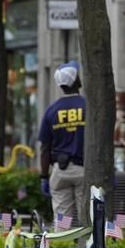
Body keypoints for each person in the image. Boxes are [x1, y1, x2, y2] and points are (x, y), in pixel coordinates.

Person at [38, 60, 86, 224]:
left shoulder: (51, 111)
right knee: (86, 219)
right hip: (84, 170)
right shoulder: (88, 106)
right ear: (76, 81)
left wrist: (44, 176)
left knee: (63, 221)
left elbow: (45, 148)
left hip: (60, 172)